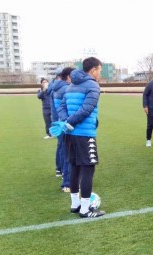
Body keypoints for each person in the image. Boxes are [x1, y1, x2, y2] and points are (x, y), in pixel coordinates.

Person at [58, 57, 105, 218]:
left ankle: (75, 204)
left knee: (75, 168)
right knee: (87, 168)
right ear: (93, 70)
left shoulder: (71, 85)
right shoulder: (92, 85)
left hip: (70, 134)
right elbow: (87, 109)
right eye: (99, 70)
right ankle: (85, 209)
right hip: (84, 134)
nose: (100, 73)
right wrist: (70, 121)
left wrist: (66, 122)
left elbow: (62, 106)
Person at [51, 67, 75, 192]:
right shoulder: (66, 88)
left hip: (59, 123)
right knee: (68, 153)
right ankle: (67, 183)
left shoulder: (55, 87)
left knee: (63, 150)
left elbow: (56, 109)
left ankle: (60, 172)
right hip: (65, 124)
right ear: (69, 76)